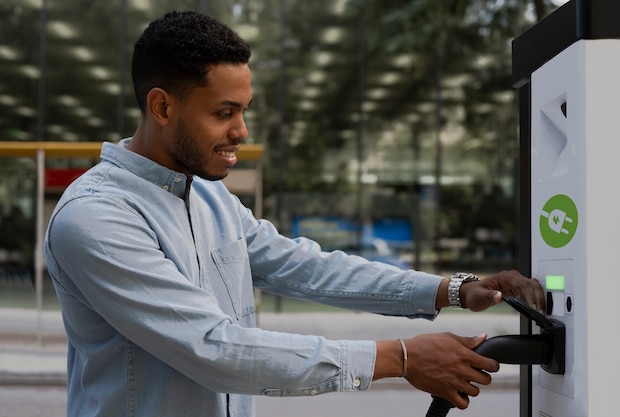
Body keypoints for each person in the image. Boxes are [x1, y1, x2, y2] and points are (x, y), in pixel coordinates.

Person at [44, 10, 545, 417]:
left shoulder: (210, 198)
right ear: (161, 107)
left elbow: (304, 266)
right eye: (223, 113)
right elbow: (213, 349)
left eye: (245, 110)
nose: (241, 130)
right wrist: (401, 357)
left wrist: (453, 288)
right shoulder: (96, 219)